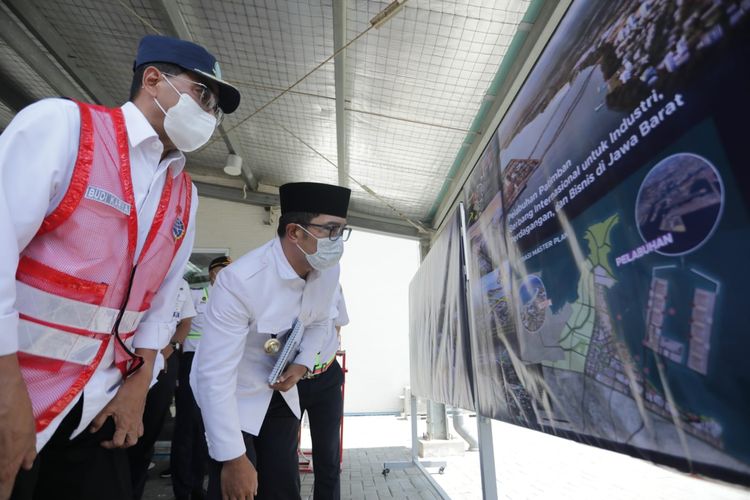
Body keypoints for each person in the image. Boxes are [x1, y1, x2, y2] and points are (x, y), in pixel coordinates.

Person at [0, 34, 240, 500]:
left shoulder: (184, 194)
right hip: (17, 390)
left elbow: (160, 300)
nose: (210, 114)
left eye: (216, 107)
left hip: (98, 407)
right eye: (203, 95)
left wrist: (136, 391)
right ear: (154, 80)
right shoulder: (64, 128)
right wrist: (7, 395)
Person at [191, 182, 352, 500]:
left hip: (280, 396)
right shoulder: (241, 281)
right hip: (232, 399)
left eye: (342, 231)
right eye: (330, 230)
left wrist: (301, 363)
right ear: (295, 232)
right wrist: (234, 459)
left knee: (281, 489)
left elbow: (320, 320)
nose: (338, 242)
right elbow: (214, 375)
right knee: (237, 489)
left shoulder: (327, 270)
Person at [128, 278, 196, 500]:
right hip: (130, 358)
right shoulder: (144, 271)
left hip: (165, 361)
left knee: (149, 430)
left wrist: (171, 347)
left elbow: (185, 322)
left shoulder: (182, 284)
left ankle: (134, 490)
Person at [170, 256, 231, 500]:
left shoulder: (234, 300)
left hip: (220, 365)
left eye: (229, 271)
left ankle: (198, 485)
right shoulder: (197, 295)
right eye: (220, 270)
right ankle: (182, 489)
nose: (224, 275)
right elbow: (181, 325)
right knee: (187, 427)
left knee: (206, 427)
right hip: (192, 361)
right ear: (211, 272)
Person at [298, 285, 349, 500]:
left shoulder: (334, 286)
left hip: (326, 378)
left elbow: (337, 326)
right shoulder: (285, 284)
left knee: (328, 455)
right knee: (281, 454)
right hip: (291, 381)